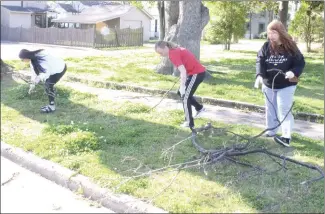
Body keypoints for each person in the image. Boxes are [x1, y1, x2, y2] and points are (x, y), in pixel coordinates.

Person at [254, 20, 305, 147]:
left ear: (280, 32)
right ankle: (271, 131)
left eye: (273, 33)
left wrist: (293, 72)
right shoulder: (266, 46)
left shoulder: (291, 47)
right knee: (270, 109)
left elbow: (300, 62)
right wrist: (259, 75)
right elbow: (259, 60)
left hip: (286, 84)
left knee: (283, 109)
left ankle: (286, 136)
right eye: (269, 33)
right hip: (269, 84)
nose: (270, 36)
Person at [155, 41, 206, 129]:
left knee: (185, 97)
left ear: (165, 48)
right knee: (181, 93)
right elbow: (183, 67)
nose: (161, 55)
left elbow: (183, 71)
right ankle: (200, 108)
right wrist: (182, 85)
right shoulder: (174, 50)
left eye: (161, 52)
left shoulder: (173, 54)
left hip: (196, 74)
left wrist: (183, 86)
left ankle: (189, 122)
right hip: (193, 73)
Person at [18, 49, 67, 113]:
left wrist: (36, 80)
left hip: (60, 68)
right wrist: (32, 86)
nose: (22, 61)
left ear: (26, 57)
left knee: (48, 84)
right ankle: (51, 102)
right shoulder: (32, 60)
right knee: (47, 84)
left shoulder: (40, 60)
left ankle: (52, 107)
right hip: (52, 70)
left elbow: (46, 73)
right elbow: (34, 74)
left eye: (22, 59)